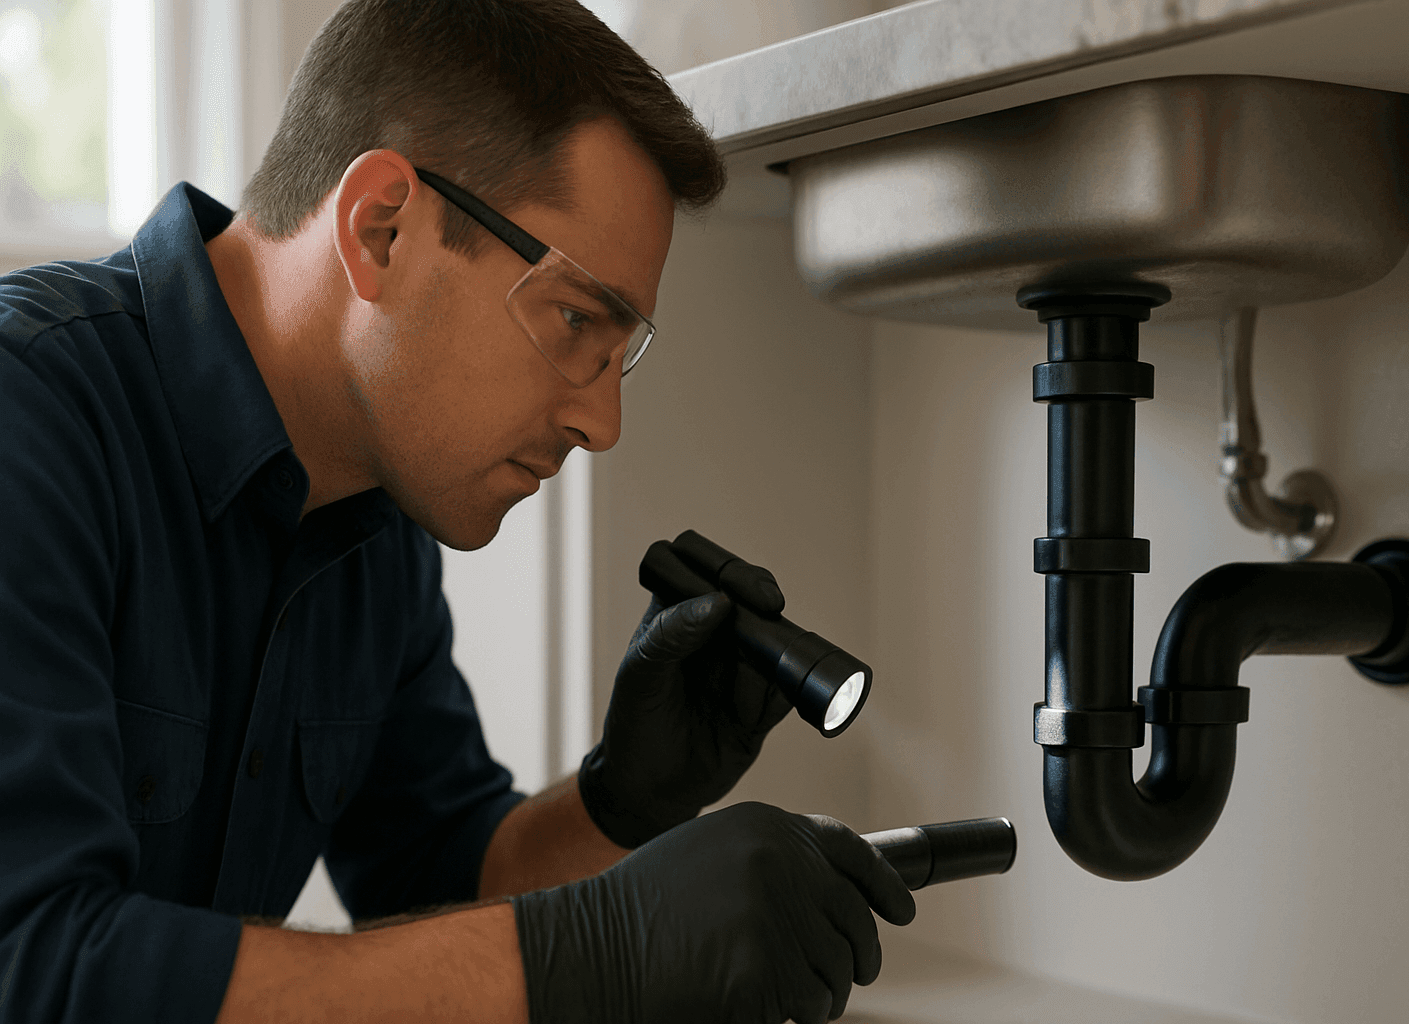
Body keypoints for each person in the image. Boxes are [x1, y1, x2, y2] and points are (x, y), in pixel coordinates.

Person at [0, 1, 915, 1022]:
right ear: (381, 227)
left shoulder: (366, 512)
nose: (602, 421)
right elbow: (33, 969)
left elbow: (437, 884)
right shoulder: (27, 422)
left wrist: (620, 798)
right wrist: (598, 949)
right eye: (576, 319)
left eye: (619, 351)